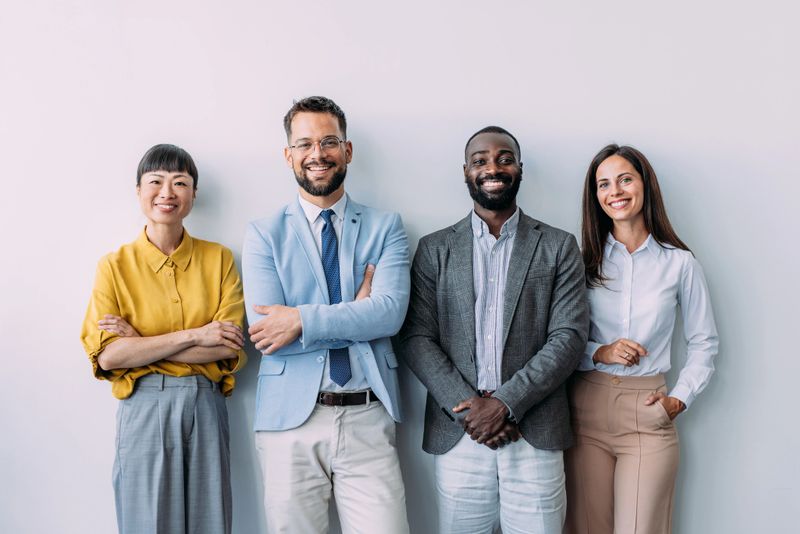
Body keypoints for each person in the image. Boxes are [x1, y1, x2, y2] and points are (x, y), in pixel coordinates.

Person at [397, 126, 588, 534]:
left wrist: (504, 405)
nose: (493, 167)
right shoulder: (435, 249)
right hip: (459, 432)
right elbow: (416, 337)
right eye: (480, 160)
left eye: (504, 157)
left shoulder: (558, 245)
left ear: (519, 168)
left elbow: (569, 338)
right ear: (465, 171)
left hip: (534, 432)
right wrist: (471, 410)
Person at [242, 96, 411, 534]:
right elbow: (266, 332)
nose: (317, 154)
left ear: (347, 150)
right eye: (304, 144)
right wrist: (357, 311)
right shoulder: (263, 234)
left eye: (328, 141)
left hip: (367, 418)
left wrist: (300, 319)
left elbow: (389, 314)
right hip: (289, 427)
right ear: (289, 156)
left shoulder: (386, 226)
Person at [80, 144, 246, 534]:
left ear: (194, 194)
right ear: (138, 191)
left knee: (211, 522)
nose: (167, 192)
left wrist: (143, 342)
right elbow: (109, 356)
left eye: (180, 182)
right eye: (155, 181)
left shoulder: (219, 258)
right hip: (144, 406)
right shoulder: (114, 266)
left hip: (206, 403)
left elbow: (228, 344)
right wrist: (194, 334)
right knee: (149, 524)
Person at [564, 144, 719, 534]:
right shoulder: (582, 263)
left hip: (648, 413)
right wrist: (600, 351)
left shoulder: (680, 263)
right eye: (603, 184)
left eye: (624, 179)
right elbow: (560, 339)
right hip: (586, 410)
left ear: (644, 185)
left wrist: (676, 401)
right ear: (595, 197)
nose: (614, 191)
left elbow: (704, 342)